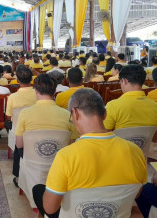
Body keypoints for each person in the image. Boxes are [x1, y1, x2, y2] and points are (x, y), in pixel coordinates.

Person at [32, 89, 147, 218]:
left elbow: (50, 208)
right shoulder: (136, 152)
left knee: (38, 190)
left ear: (75, 113)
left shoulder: (66, 156)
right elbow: (136, 194)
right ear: (104, 114)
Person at [12, 74, 78, 187]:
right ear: (54, 92)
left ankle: (19, 178)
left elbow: (19, 145)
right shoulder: (68, 115)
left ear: (36, 91)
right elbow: (70, 145)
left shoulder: (25, 114)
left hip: (32, 160)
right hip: (59, 161)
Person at [104, 65, 157, 130]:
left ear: (124, 81)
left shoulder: (113, 106)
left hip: (120, 139)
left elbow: (104, 133)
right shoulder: (155, 106)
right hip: (148, 140)